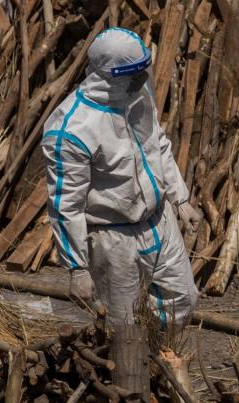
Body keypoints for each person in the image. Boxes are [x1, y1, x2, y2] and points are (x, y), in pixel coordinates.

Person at [41, 27, 200, 328]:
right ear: (108, 75)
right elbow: (66, 206)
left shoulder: (137, 95)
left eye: (144, 69)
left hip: (159, 222)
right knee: (123, 326)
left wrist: (180, 200)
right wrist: (77, 267)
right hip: (114, 240)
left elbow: (158, 144)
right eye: (133, 73)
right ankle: (133, 371)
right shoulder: (71, 130)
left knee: (182, 299)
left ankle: (159, 362)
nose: (142, 79)